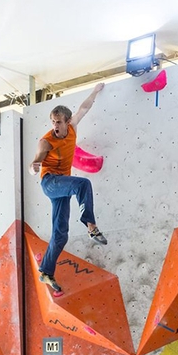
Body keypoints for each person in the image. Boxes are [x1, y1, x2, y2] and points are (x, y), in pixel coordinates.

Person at [29, 83, 107, 293]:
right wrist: (33, 168)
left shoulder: (72, 128)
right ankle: (91, 226)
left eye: (58, 122)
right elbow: (34, 163)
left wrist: (95, 91)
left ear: (67, 122)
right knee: (83, 183)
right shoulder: (46, 142)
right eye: (53, 122)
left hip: (62, 186)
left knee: (61, 234)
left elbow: (84, 108)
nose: (55, 126)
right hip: (51, 182)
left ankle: (46, 271)